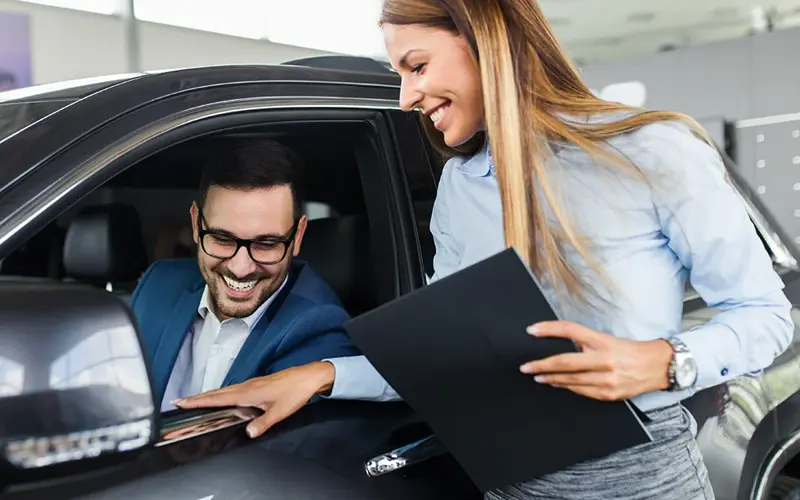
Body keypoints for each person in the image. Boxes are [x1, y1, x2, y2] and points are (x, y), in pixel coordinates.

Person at [175, 1, 794, 498]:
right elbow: (451, 358)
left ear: (485, 40)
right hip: (500, 482)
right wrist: (317, 376)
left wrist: (665, 361)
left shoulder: (652, 150)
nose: (405, 98)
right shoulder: (460, 184)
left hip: (638, 481)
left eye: (416, 66)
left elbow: (765, 314)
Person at [131, 139, 359, 412]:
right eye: (222, 238)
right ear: (195, 223)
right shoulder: (158, 284)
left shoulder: (320, 331)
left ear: (297, 236)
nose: (241, 268)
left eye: (266, 244)